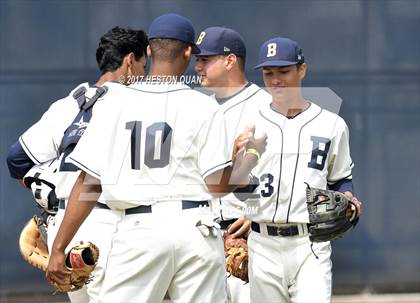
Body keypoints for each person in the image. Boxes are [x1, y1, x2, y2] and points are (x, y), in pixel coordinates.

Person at [46, 13, 266, 303]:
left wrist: (60, 246)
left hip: (138, 230)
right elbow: (217, 185)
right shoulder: (204, 107)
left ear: (149, 50)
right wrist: (250, 156)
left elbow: (88, 183)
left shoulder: (113, 103)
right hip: (195, 228)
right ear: (188, 52)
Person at [6, 26, 148, 302]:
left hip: (66, 228)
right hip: (115, 226)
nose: (143, 75)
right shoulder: (138, 105)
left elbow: (16, 161)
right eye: (143, 66)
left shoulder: (69, 104)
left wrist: (46, 184)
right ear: (130, 61)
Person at [246, 37, 363, 303]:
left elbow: (341, 178)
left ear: (302, 70)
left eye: (283, 71)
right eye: (268, 72)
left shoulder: (331, 124)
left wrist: (350, 198)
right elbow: (236, 181)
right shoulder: (250, 122)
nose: (275, 79)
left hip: (310, 243)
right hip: (262, 242)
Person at [194, 26, 271, 303]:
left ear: (230, 61)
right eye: (197, 59)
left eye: (206, 59)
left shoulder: (265, 107)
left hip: (249, 238)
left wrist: (257, 213)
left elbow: (283, 172)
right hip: (204, 238)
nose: (198, 66)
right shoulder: (198, 108)